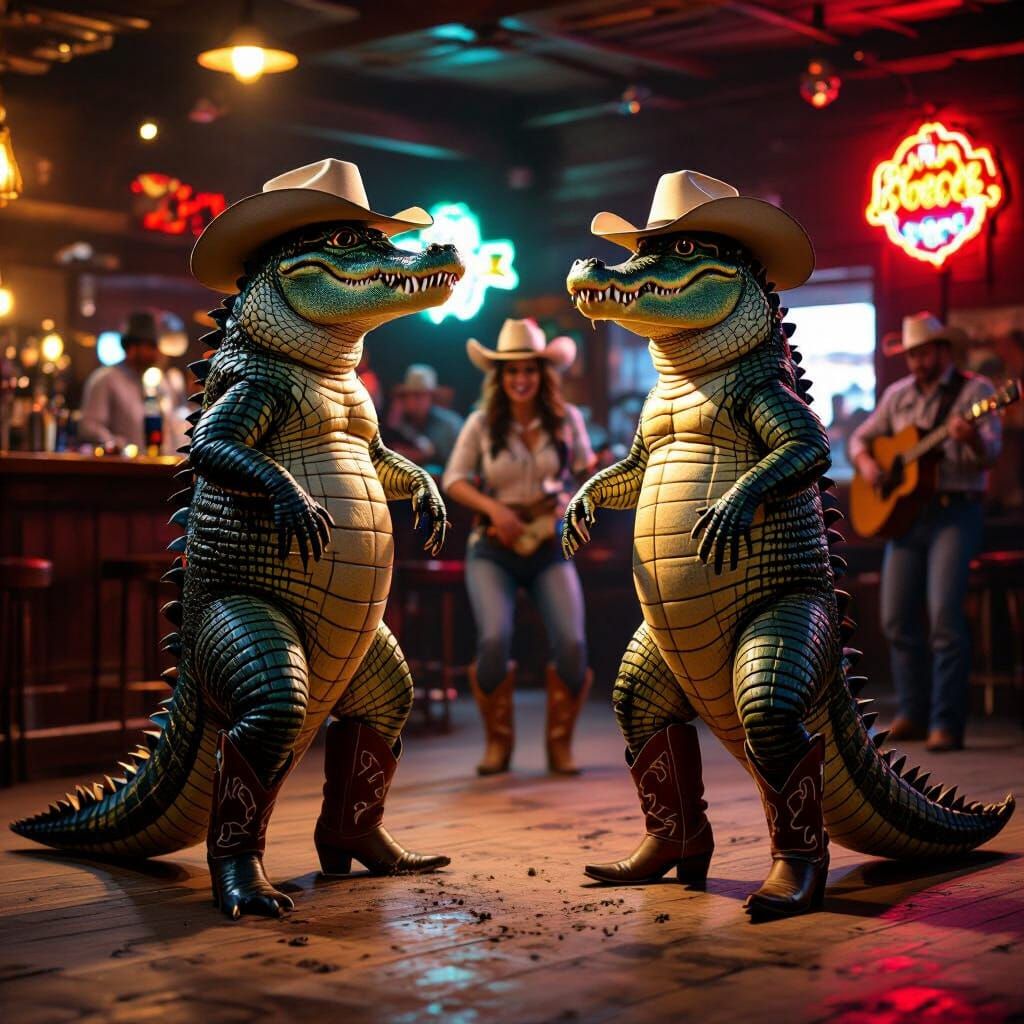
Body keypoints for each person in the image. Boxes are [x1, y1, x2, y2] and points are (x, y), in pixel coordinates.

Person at [443, 318, 596, 775]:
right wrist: (495, 509)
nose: (521, 379)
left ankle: (560, 745)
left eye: (529, 370)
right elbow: (452, 480)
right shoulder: (481, 422)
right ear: (500, 377)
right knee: (493, 639)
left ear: (544, 373)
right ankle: (498, 744)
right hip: (493, 546)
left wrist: (572, 497)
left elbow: (587, 472)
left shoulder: (569, 420)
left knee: (572, 642)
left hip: (550, 543)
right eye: (511, 372)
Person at [849, 311, 1002, 752]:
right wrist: (869, 465)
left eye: (923, 353)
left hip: (956, 513)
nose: (917, 361)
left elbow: (990, 452)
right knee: (896, 618)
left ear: (942, 350)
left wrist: (968, 438)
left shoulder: (977, 392)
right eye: (911, 354)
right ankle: (913, 714)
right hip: (906, 517)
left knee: (943, 618)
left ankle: (946, 723)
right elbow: (859, 439)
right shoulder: (898, 397)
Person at [78, 312, 161, 451]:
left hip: (148, 467)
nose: (156, 352)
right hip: (119, 469)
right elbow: (89, 426)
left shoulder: (150, 381)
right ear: (132, 348)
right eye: (150, 346)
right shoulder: (105, 379)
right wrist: (117, 444)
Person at [384, 363, 464, 473]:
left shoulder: (449, 424)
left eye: (419, 395)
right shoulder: (403, 421)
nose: (412, 401)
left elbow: (452, 465)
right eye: (408, 395)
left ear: (431, 397)